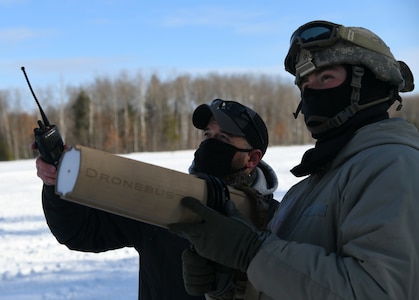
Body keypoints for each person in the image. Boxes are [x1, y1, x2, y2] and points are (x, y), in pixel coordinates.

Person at [168, 20, 419, 299]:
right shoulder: (307, 189)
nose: (311, 92)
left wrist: (251, 253)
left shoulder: (394, 166)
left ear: (372, 80)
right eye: (305, 84)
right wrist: (229, 282)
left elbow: (378, 292)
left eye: (326, 78)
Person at [34, 99, 278, 300]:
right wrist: (56, 184)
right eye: (207, 135)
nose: (210, 144)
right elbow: (81, 231)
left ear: (252, 159)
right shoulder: (164, 201)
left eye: (223, 139)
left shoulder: (276, 220)